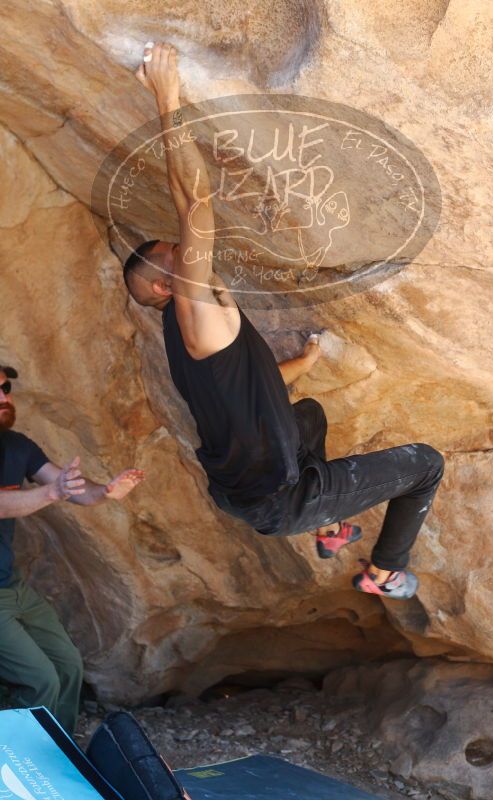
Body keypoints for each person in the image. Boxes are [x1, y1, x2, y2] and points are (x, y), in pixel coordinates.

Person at [125, 42, 445, 600]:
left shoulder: (197, 337)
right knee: (426, 465)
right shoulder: (193, 314)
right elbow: (194, 203)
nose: (185, 248)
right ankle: (387, 570)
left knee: (310, 418)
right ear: (162, 287)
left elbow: (258, 390)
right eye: (172, 253)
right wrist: (167, 96)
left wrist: (306, 362)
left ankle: (330, 529)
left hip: (251, 487)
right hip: (279, 497)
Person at [0, 365, 144, 733]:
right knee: (40, 680)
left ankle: (58, 756)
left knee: (67, 665)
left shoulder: (18, 446)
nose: (4, 397)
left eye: (5, 387)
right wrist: (53, 492)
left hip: (11, 585)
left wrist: (105, 492)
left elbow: (68, 486)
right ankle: (17, 771)